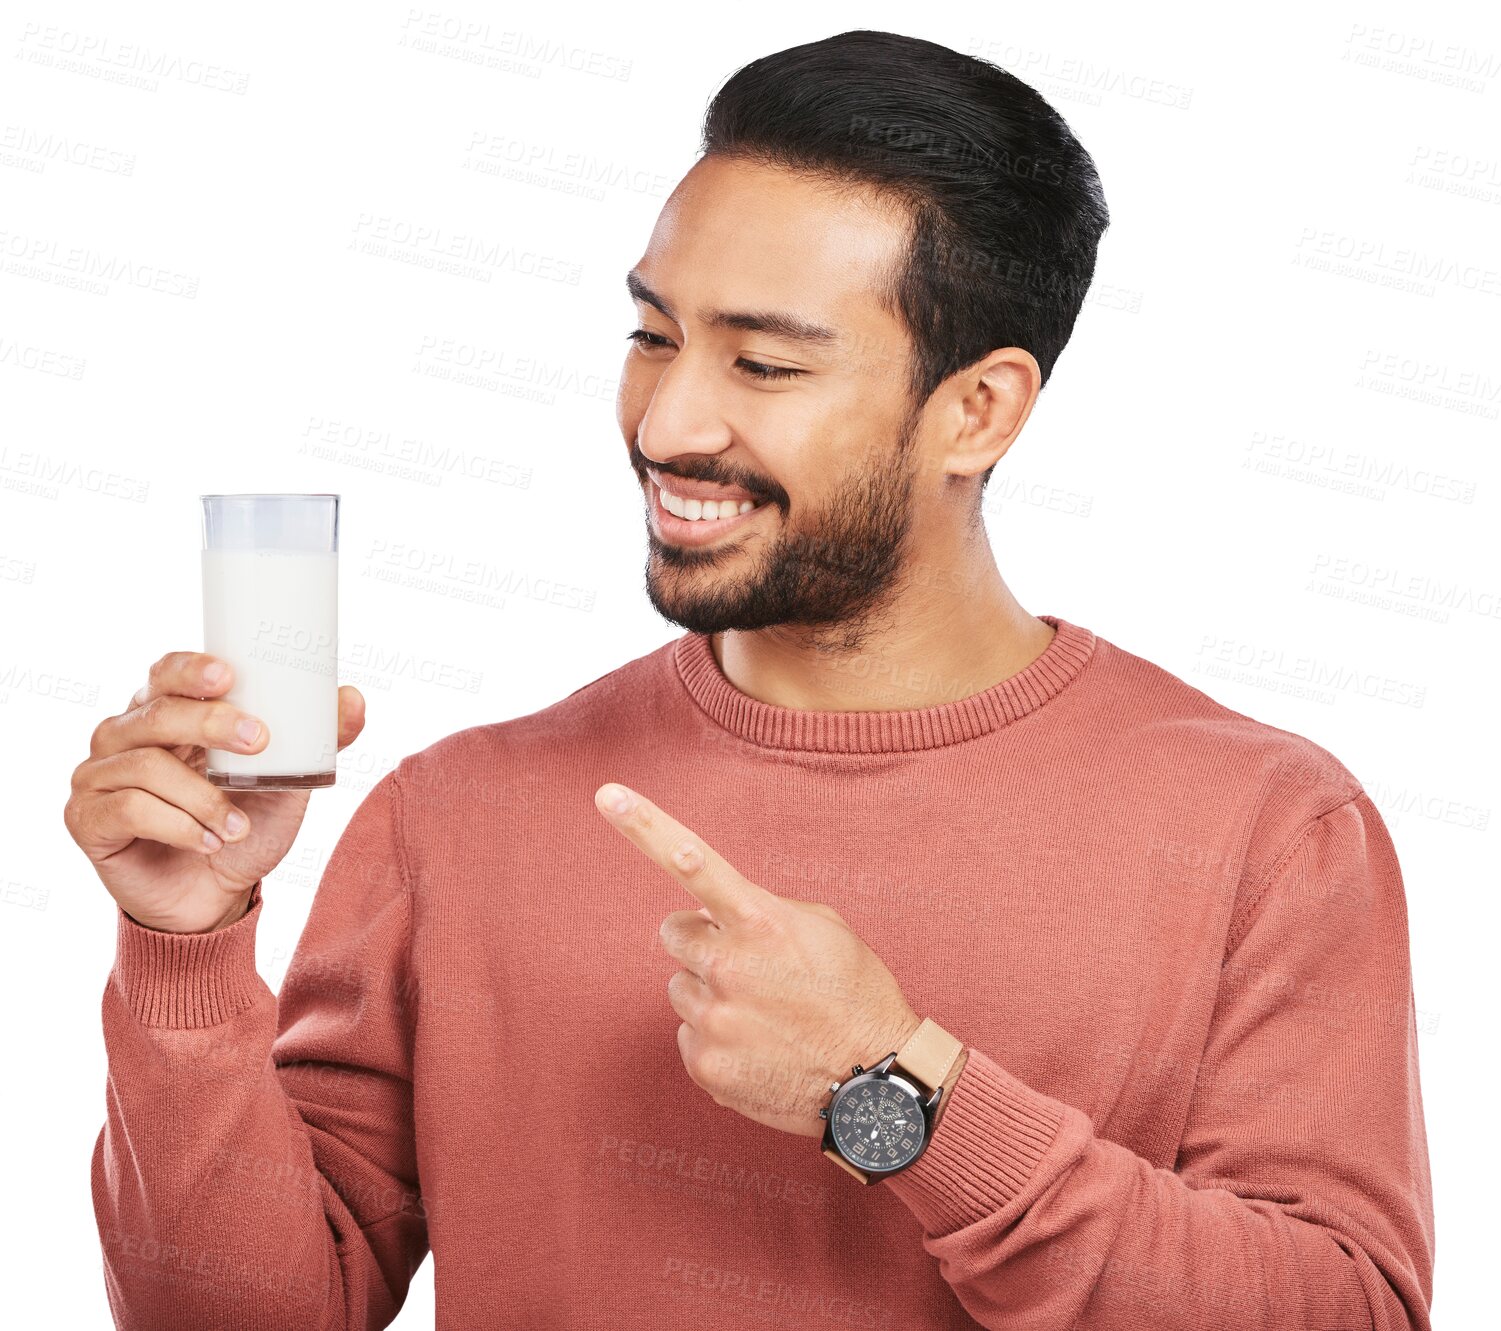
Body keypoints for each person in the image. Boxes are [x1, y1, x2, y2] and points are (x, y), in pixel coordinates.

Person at [67, 28, 1434, 1330]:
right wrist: (186, 945)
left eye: (764, 363)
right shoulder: (455, 811)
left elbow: (1344, 1310)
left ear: (979, 411)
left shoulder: (1262, 824)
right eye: (653, 335)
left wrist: (892, 1094)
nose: (666, 423)